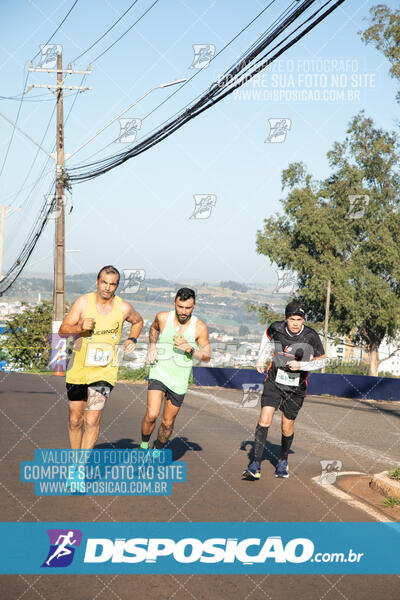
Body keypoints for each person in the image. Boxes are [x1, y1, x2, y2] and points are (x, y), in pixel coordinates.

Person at [59, 265, 143, 450]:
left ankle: (80, 468)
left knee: (92, 418)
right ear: (97, 282)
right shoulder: (83, 303)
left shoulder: (123, 308)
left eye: (112, 284)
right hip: (78, 370)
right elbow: (63, 330)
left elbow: (138, 321)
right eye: (104, 282)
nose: (107, 287)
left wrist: (132, 338)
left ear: (117, 286)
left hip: (104, 372)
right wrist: (80, 327)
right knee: (75, 420)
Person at [242, 301, 326, 481]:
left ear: (303, 319)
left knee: (286, 426)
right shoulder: (276, 328)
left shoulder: (311, 335)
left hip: (296, 387)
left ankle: (282, 460)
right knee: (265, 418)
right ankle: (255, 464)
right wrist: (260, 359)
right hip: (274, 380)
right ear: (286, 319)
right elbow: (266, 337)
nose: (295, 323)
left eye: (299, 319)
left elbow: (322, 360)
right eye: (292, 319)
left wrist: (301, 365)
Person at [141, 287, 211, 450]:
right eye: (180, 307)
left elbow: (207, 356)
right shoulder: (163, 317)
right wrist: (152, 346)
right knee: (152, 415)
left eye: (188, 308)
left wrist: (190, 348)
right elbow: (153, 328)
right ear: (175, 303)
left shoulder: (199, 328)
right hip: (159, 371)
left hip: (179, 380)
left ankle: (157, 451)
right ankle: (144, 446)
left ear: (193, 307)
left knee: (167, 423)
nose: (183, 312)